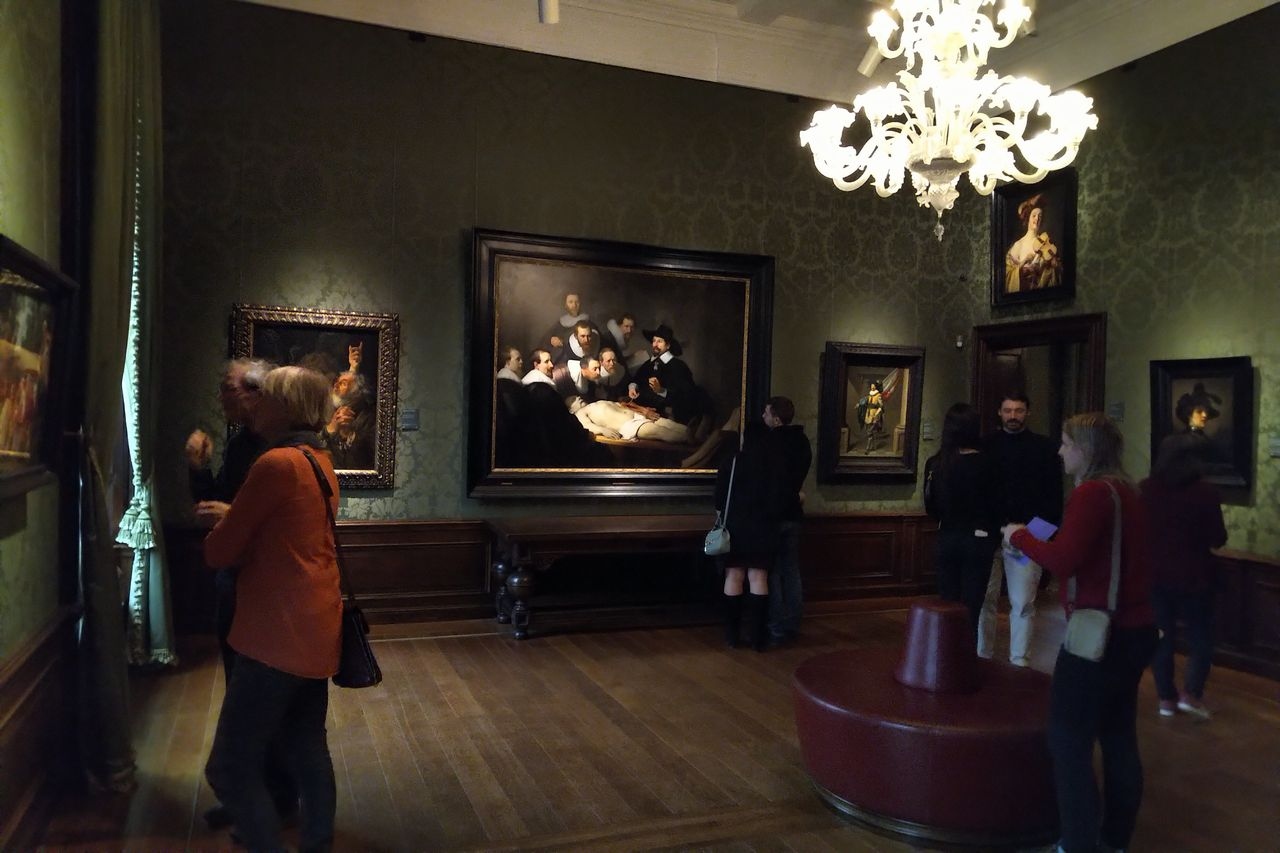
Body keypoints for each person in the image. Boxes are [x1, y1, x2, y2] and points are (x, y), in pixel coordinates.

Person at [199, 365, 342, 853]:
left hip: (276, 628)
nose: (256, 404)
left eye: (266, 397)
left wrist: (227, 521)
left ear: (286, 407)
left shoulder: (276, 463)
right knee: (307, 746)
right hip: (317, 621)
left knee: (229, 766)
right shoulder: (320, 461)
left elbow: (219, 551)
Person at [1003, 413, 1156, 853]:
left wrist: (1019, 537)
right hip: (1139, 628)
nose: (1060, 451)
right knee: (1119, 738)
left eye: (1067, 443)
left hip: (1098, 633)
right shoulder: (1131, 491)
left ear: (1086, 450)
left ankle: (1077, 842)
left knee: (1068, 740)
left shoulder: (1091, 494)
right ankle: (1114, 840)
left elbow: (1064, 559)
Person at [1142, 435, 1228, 720]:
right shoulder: (1206, 492)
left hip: (1155, 575)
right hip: (1195, 577)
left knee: (1161, 638)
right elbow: (1218, 538)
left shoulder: (1146, 489)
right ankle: (1191, 694)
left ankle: (1166, 698)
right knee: (1200, 637)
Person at [978, 391, 1064, 667]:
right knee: (985, 601)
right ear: (999, 412)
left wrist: (1036, 534)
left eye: (1018, 410)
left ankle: (1020, 663)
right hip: (990, 535)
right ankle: (982, 658)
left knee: (1023, 603)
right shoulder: (986, 446)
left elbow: (1054, 499)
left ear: (1028, 413)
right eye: (1008, 410)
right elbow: (978, 494)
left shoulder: (1045, 448)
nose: (1013, 416)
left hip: (1028, 536)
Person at [923, 403, 1000, 640]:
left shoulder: (936, 463)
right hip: (978, 539)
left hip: (947, 536)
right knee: (971, 609)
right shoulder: (988, 464)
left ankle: (946, 655)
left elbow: (930, 506)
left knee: (948, 606)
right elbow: (997, 506)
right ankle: (966, 657)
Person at [715, 421, 790, 651]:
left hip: (735, 528)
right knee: (759, 578)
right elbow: (779, 500)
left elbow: (719, 498)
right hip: (764, 527)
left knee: (733, 576)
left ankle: (732, 636)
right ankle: (758, 638)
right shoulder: (774, 464)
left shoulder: (732, 461)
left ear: (745, 439)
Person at [761, 396, 812, 647]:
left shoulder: (770, 443)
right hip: (794, 512)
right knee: (792, 570)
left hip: (773, 515)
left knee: (773, 571)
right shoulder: (802, 442)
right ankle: (793, 622)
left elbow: (768, 482)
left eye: (766, 413)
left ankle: (776, 625)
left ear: (776, 418)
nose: (763, 416)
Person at [629, 324, 697, 424]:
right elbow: (636, 379)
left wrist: (661, 390)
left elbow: (686, 396)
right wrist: (632, 388)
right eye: (654, 341)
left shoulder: (679, 366)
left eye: (659, 341)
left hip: (666, 417)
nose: (655, 344)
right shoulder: (648, 364)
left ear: (668, 345)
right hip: (643, 413)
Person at [1005, 193, 1062, 293]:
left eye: (1040, 216)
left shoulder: (1046, 243)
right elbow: (1008, 275)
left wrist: (1053, 266)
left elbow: (1053, 276)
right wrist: (1023, 263)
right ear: (1028, 218)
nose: (1037, 219)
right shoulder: (1018, 245)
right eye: (1034, 215)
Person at [855, 381, 884, 453]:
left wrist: (877, 413)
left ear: (876, 387)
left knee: (870, 432)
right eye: (871, 386)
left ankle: (867, 449)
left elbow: (881, 406)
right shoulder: (869, 395)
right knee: (870, 431)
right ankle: (873, 446)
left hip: (874, 414)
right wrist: (859, 405)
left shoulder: (878, 395)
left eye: (873, 386)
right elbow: (864, 402)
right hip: (868, 414)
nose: (872, 387)